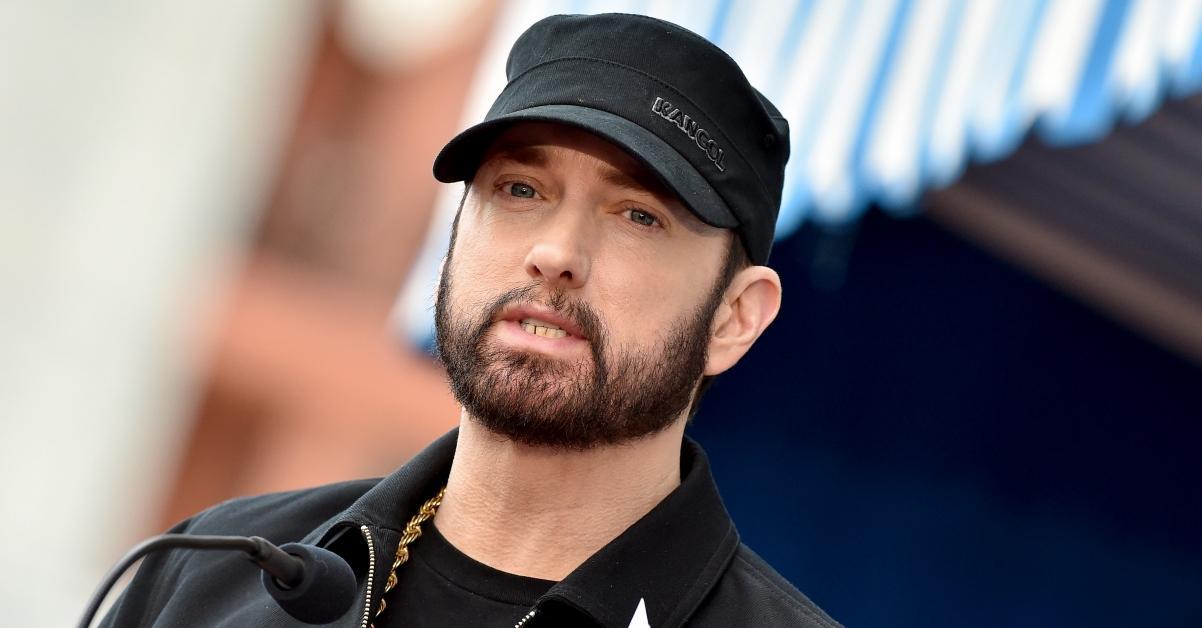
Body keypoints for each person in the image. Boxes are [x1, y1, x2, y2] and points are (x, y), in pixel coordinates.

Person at [101, 13, 841, 628]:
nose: (556, 252)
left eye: (639, 215)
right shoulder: (207, 574)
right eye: (519, 189)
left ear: (735, 318)